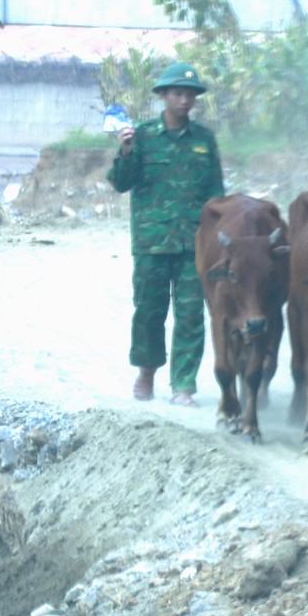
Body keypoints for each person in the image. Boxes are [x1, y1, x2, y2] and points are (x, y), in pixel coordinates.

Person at [108, 62, 225, 404]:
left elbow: (216, 194)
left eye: (190, 94)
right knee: (148, 311)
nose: (185, 100)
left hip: (194, 245)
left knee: (190, 315)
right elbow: (120, 183)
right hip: (152, 243)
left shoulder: (204, 139)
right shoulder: (140, 136)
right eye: (177, 93)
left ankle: (183, 384)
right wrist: (126, 151)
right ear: (162, 96)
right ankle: (146, 373)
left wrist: (219, 238)